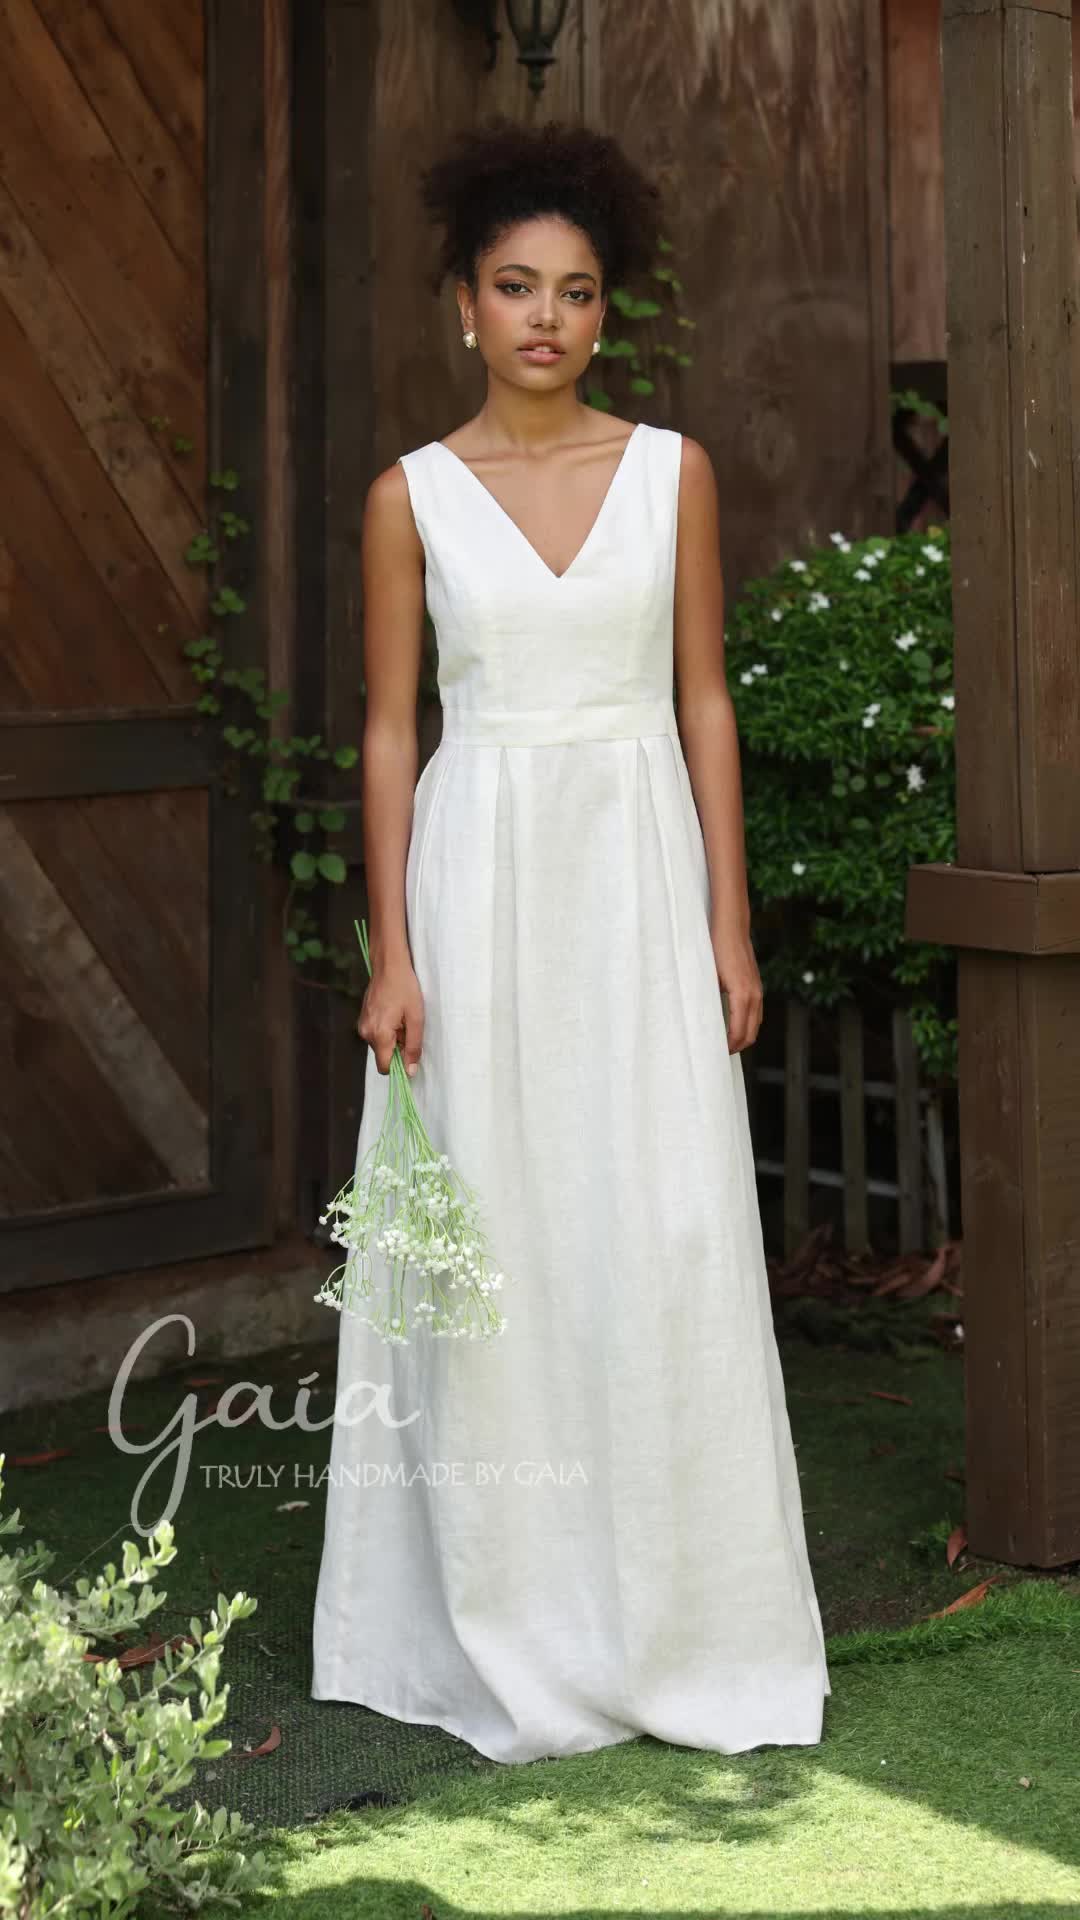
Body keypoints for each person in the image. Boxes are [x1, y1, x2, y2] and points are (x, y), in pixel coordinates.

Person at [311, 117, 831, 1765]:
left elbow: (702, 699)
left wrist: (727, 925)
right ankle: (501, 1614)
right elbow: (392, 732)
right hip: (478, 892)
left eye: (580, 291)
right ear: (461, 304)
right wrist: (391, 949)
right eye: (516, 287)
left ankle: (688, 1618)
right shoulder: (408, 502)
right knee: (502, 1238)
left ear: (610, 313)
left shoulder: (676, 472)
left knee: (659, 1227)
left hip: (635, 879)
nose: (548, 316)